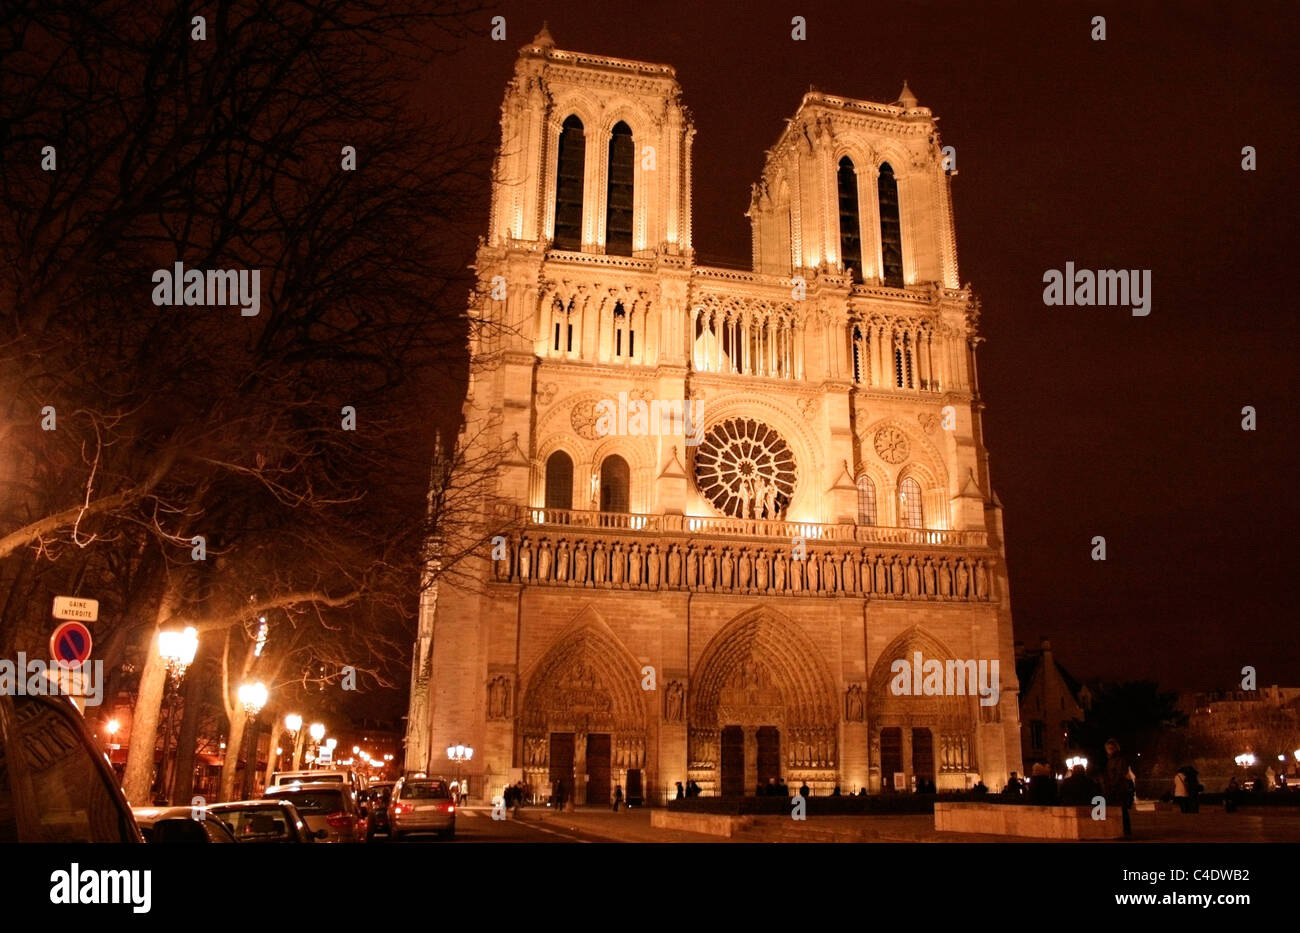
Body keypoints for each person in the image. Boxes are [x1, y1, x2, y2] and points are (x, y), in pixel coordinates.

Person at [1102, 738, 1134, 838]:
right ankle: (1121, 831)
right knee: (1118, 811)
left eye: (1111, 748)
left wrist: (1113, 785)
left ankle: (1126, 832)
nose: (1109, 750)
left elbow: (1120, 774)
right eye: (1108, 748)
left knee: (1122, 811)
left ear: (1115, 748)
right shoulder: (1111, 760)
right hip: (1113, 789)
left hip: (1118, 790)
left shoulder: (1119, 759)